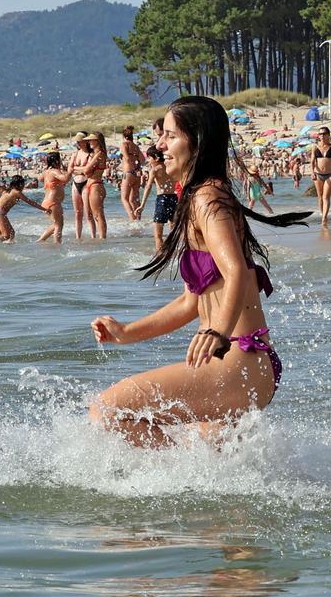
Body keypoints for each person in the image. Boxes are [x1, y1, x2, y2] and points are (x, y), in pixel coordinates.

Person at [90, 96, 309, 447]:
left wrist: (218, 333)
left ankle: (173, 485)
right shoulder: (198, 198)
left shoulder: (208, 198)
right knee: (204, 452)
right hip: (247, 364)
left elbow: (237, 270)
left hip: (237, 359)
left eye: (170, 136)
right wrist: (127, 333)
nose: (159, 145)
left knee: (108, 410)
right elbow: (192, 300)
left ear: (197, 141)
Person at [141, 146, 175, 252]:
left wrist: (142, 205)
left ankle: (160, 257)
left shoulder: (155, 170)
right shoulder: (170, 166)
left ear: (155, 158)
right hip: (174, 199)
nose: (148, 160)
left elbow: (148, 187)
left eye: (149, 158)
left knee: (158, 235)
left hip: (162, 199)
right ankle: (174, 254)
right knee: (173, 232)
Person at [308, 126, 331, 227]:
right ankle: (323, 214)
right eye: (320, 134)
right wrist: (312, 172)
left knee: (326, 197)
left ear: (328, 135)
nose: (322, 136)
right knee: (320, 197)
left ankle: (324, 218)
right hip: (318, 174)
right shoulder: (315, 146)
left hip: (330, 174)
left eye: (324, 134)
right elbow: (312, 161)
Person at [0, 175, 39, 242]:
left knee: (12, 233)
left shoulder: (10, 190)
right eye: (23, 183)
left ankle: (8, 248)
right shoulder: (17, 192)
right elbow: (30, 202)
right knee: (6, 236)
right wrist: (44, 209)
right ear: (19, 184)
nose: (24, 185)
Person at [35, 151, 68, 244]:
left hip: (46, 202)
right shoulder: (54, 171)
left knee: (55, 224)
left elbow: (40, 178)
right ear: (57, 161)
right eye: (60, 159)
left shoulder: (47, 172)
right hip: (53, 203)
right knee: (59, 225)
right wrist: (69, 170)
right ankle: (57, 244)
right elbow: (65, 178)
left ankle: (40, 240)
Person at [118, 127, 146, 220]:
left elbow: (126, 158)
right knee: (134, 200)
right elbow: (143, 159)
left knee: (124, 198)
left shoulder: (124, 144)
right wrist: (137, 168)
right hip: (136, 174)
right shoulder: (136, 146)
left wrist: (131, 166)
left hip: (129, 172)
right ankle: (138, 219)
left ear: (124, 136)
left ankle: (132, 219)